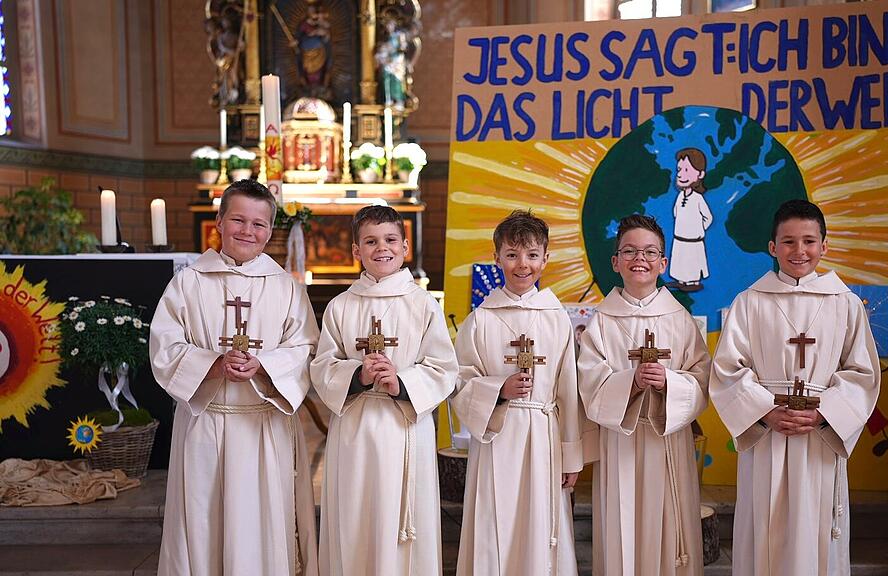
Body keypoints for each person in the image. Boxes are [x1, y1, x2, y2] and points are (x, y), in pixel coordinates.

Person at [150, 179, 319, 575]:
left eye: (259, 224)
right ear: (220, 222)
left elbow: (306, 349)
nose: (248, 231)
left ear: (270, 230)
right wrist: (213, 364)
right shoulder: (189, 282)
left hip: (264, 425)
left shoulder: (286, 288)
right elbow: (164, 348)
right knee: (203, 522)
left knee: (259, 524)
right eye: (238, 220)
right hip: (205, 426)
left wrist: (264, 366)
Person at [709, 199, 880, 576]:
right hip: (769, 435)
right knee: (765, 529)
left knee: (815, 534)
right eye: (788, 242)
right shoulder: (749, 302)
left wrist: (824, 414)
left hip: (818, 436)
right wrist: (766, 411)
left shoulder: (846, 304)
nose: (799, 251)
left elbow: (862, 373)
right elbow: (727, 369)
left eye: (809, 241)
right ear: (773, 247)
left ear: (824, 245)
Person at [310, 205, 457, 575]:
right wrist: (358, 375)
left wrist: (401, 382)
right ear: (356, 250)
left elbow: (443, 367)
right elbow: (322, 366)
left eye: (391, 239)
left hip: (404, 427)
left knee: (401, 526)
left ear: (405, 247)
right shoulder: (341, 306)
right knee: (355, 518)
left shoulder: (423, 304)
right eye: (371, 241)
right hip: (354, 430)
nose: (382, 248)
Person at [451, 209, 584, 575]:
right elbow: (460, 383)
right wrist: (499, 389)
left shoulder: (556, 317)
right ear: (497, 258)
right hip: (497, 437)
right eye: (512, 254)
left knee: (540, 524)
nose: (522, 264)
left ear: (545, 258)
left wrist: (571, 457)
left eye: (531, 255)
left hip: (543, 434)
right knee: (496, 520)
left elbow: (568, 391)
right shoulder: (480, 320)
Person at [578, 214, 710, 575]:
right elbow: (588, 384)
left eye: (650, 252)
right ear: (615, 261)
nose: (640, 259)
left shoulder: (680, 319)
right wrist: (631, 383)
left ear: (663, 263)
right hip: (619, 443)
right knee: (622, 532)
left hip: (668, 442)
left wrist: (670, 383)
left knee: (669, 534)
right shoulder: (601, 322)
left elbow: (702, 380)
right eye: (630, 251)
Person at [668, 148, 713, 292]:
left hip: (693, 240)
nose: (681, 174)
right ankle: (681, 281)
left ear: (700, 174)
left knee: (692, 261)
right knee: (680, 261)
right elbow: (676, 212)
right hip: (679, 238)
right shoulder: (680, 196)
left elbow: (708, 217)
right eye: (679, 169)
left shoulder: (698, 198)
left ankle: (693, 282)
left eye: (687, 170)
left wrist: (698, 228)